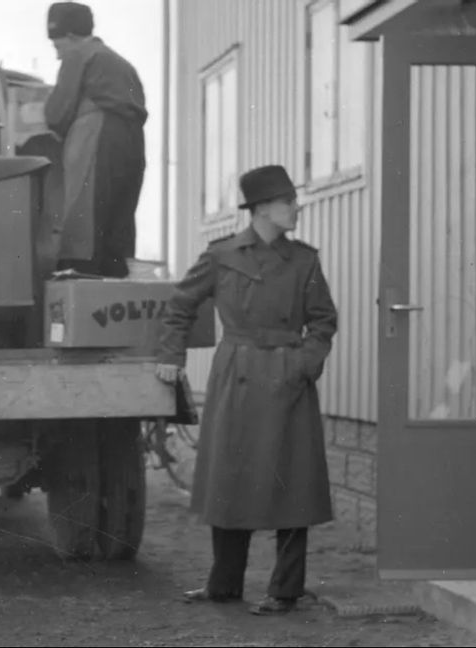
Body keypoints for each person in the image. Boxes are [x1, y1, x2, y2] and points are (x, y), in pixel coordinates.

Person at [155, 165, 338, 616]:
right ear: (261, 208)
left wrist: (304, 364)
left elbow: (323, 321)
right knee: (229, 476)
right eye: (288, 201)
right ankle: (224, 585)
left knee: (292, 482)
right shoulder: (222, 255)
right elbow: (180, 304)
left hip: (288, 375)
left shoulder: (304, 260)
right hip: (236, 373)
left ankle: (286, 590)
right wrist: (170, 357)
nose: (297, 208)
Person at [44, 1, 147, 278]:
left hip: (97, 140)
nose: (57, 55)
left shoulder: (80, 55)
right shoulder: (122, 64)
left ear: (72, 37)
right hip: (133, 143)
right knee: (117, 228)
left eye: (57, 46)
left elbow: (56, 114)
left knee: (82, 227)